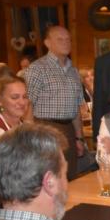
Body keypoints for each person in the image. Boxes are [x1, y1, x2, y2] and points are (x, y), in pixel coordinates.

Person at [24, 25, 85, 180]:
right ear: (47, 43)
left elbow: (76, 108)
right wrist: (31, 139)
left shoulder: (74, 71)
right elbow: (27, 105)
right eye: (60, 39)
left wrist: (79, 138)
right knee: (49, 179)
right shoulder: (37, 69)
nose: (66, 42)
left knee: (70, 178)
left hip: (69, 129)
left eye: (68, 39)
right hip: (45, 129)